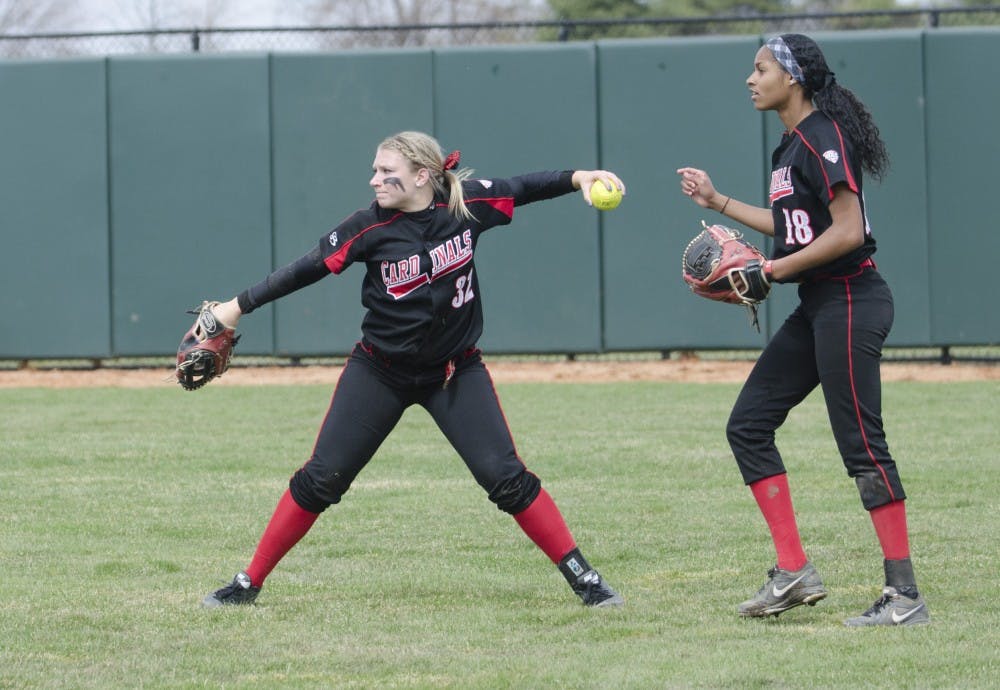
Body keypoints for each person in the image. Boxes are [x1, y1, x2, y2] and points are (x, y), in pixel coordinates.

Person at [200, 131, 626, 609]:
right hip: (380, 372)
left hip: (454, 372)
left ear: (423, 176)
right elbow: (308, 268)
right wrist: (236, 307)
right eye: (375, 169)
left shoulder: (466, 207)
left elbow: (524, 187)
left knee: (505, 478)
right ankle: (247, 583)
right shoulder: (369, 227)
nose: (375, 180)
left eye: (387, 172)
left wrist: (579, 178)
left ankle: (585, 579)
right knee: (321, 479)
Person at [676, 34, 929, 626]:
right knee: (749, 425)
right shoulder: (789, 149)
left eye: (760, 68)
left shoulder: (825, 137)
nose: (750, 78)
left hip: (851, 299)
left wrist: (771, 270)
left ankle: (904, 595)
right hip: (820, 302)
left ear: (792, 78)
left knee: (862, 446)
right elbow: (793, 229)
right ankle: (793, 573)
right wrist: (719, 202)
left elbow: (846, 231)